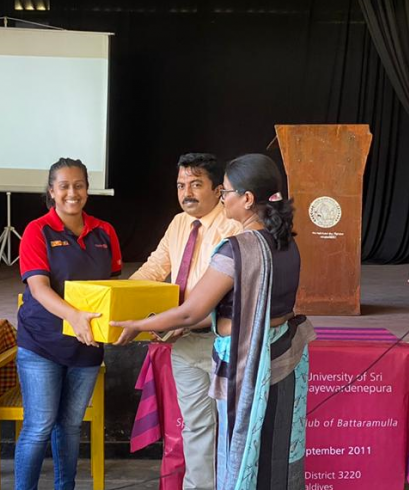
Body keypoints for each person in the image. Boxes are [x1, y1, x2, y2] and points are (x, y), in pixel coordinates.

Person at [115, 154, 315, 489]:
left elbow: (191, 312)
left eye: (226, 191)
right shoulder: (285, 241)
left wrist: (137, 325)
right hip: (280, 355)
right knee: (273, 448)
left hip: (243, 360)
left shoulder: (237, 248)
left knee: (240, 450)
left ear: (247, 199)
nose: (223, 198)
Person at [127, 153, 241, 490]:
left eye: (195, 184)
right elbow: (153, 269)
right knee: (196, 428)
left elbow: (230, 293)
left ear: (219, 190)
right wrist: (120, 299)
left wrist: (187, 318)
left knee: (233, 430)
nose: (186, 193)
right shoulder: (179, 223)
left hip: (225, 343)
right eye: (180, 185)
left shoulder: (234, 226)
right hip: (185, 344)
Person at [16, 157, 122, 490]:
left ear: (87, 190)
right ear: (51, 191)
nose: (72, 193)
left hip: (87, 345)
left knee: (71, 425)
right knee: (39, 426)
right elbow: (38, 288)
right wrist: (74, 316)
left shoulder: (105, 231)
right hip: (42, 344)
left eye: (79, 186)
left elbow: (111, 286)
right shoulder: (37, 230)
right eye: (64, 186)